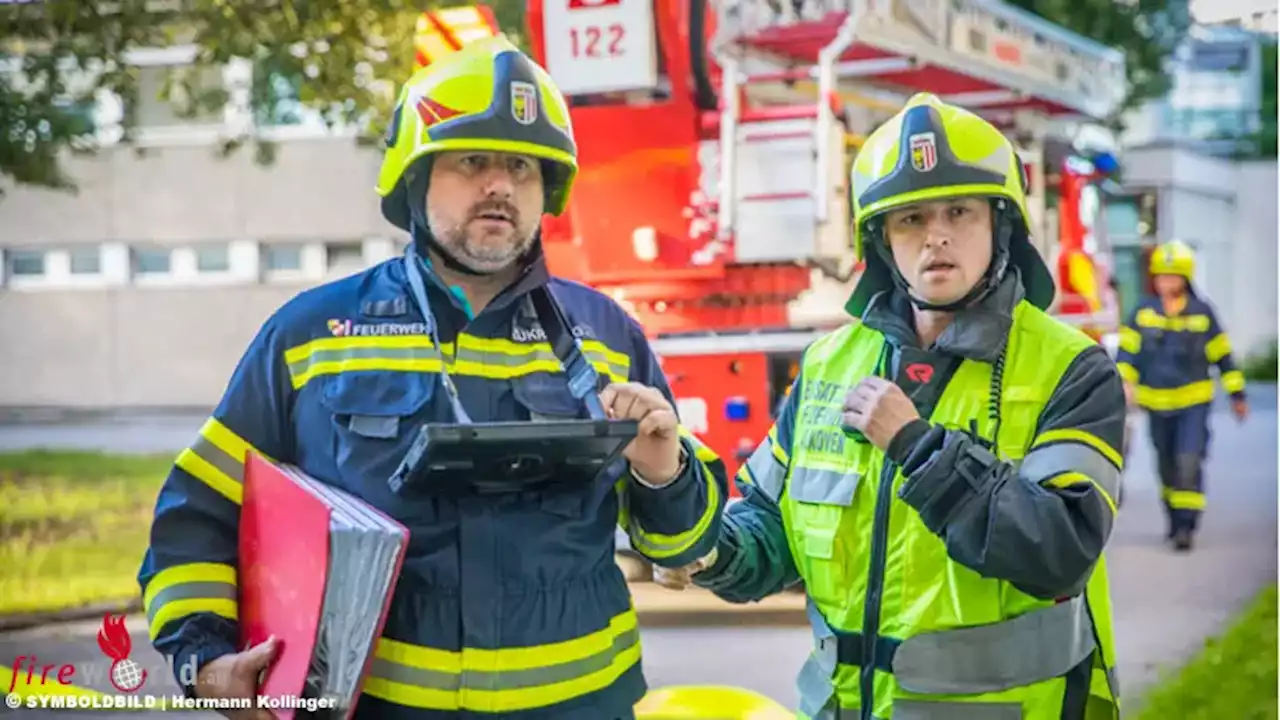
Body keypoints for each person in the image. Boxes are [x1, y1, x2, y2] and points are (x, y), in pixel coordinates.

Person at [137, 35, 728, 720]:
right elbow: (200, 514)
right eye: (472, 161)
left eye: (522, 167)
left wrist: (663, 469)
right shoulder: (313, 336)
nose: (500, 184)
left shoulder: (610, 335)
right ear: (414, 178)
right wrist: (204, 658)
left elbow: (684, 549)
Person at [657, 93, 1126, 719]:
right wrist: (699, 543)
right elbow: (770, 537)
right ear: (881, 242)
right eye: (910, 219)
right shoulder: (828, 364)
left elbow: (1058, 553)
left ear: (1000, 224)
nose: (936, 236)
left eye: (958, 211)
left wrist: (916, 447)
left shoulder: (1072, 369)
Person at [1114, 240, 1247, 552]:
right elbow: (1127, 354)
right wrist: (1124, 383)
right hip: (1156, 405)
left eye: (1172, 277)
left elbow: (1223, 356)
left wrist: (1237, 394)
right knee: (1166, 465)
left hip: (1193, 403)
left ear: (1185, 278)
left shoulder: (1202, 314)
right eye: (1161, 276)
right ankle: (1174, 520)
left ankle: (1187, 525)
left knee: (1188, 460)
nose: (1166, 283)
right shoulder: (1144, 313)